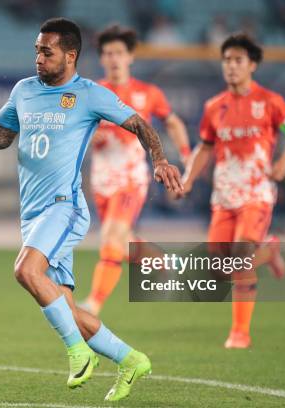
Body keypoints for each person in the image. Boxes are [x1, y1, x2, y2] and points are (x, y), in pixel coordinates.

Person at [0, 18, 182, 401]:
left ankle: (78, 353)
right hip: (32, 214)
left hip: (65, 207)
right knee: (66, 308)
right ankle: (130, 359)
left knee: (25, 269)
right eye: (36, 51)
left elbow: (140, 124)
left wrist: (159, 159)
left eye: (47, 51)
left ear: (70, 55)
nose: (38, 58)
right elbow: (1, 135)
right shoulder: (24, 90)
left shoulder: (90, 94)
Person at [176, 33, 285, 349]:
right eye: (226, 60)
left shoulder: (271, 103)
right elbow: (205, 148)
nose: (231, 66)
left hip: (257, 192)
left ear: (252, 65)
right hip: (224, 196)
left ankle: (240, 333)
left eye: (237, 61)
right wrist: (189, 179)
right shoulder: (213, 107)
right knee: (220, 267)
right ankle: (271, 250)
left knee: (240, 254)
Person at [79, 24, 190, 316]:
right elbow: (77, 130)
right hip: (101, 182)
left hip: (131, 180)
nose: (113, 58)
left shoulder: (148, 93)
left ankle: (92, 305)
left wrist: (187, 155)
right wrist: (92, 136)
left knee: (111, 239)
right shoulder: (92, 92)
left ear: (130, 57)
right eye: (107, 53)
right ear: (102, 59)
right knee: (125, 243)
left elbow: (173, 122)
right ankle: (165, 264)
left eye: (118, 52)